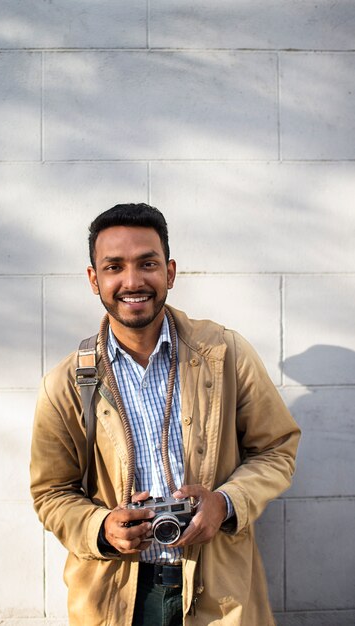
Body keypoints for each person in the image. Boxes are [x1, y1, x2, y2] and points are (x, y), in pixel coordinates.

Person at [30, 203, 300, 626]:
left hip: (220, 594)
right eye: (114, 267)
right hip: (116, 597)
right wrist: (103, 527)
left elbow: (277, 449)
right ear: (93, 279)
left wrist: (226, 503)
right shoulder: (66, 382)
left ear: (170, 272)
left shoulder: (224, 353)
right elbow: (50, 493)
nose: (132, 281)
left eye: (148, 263)